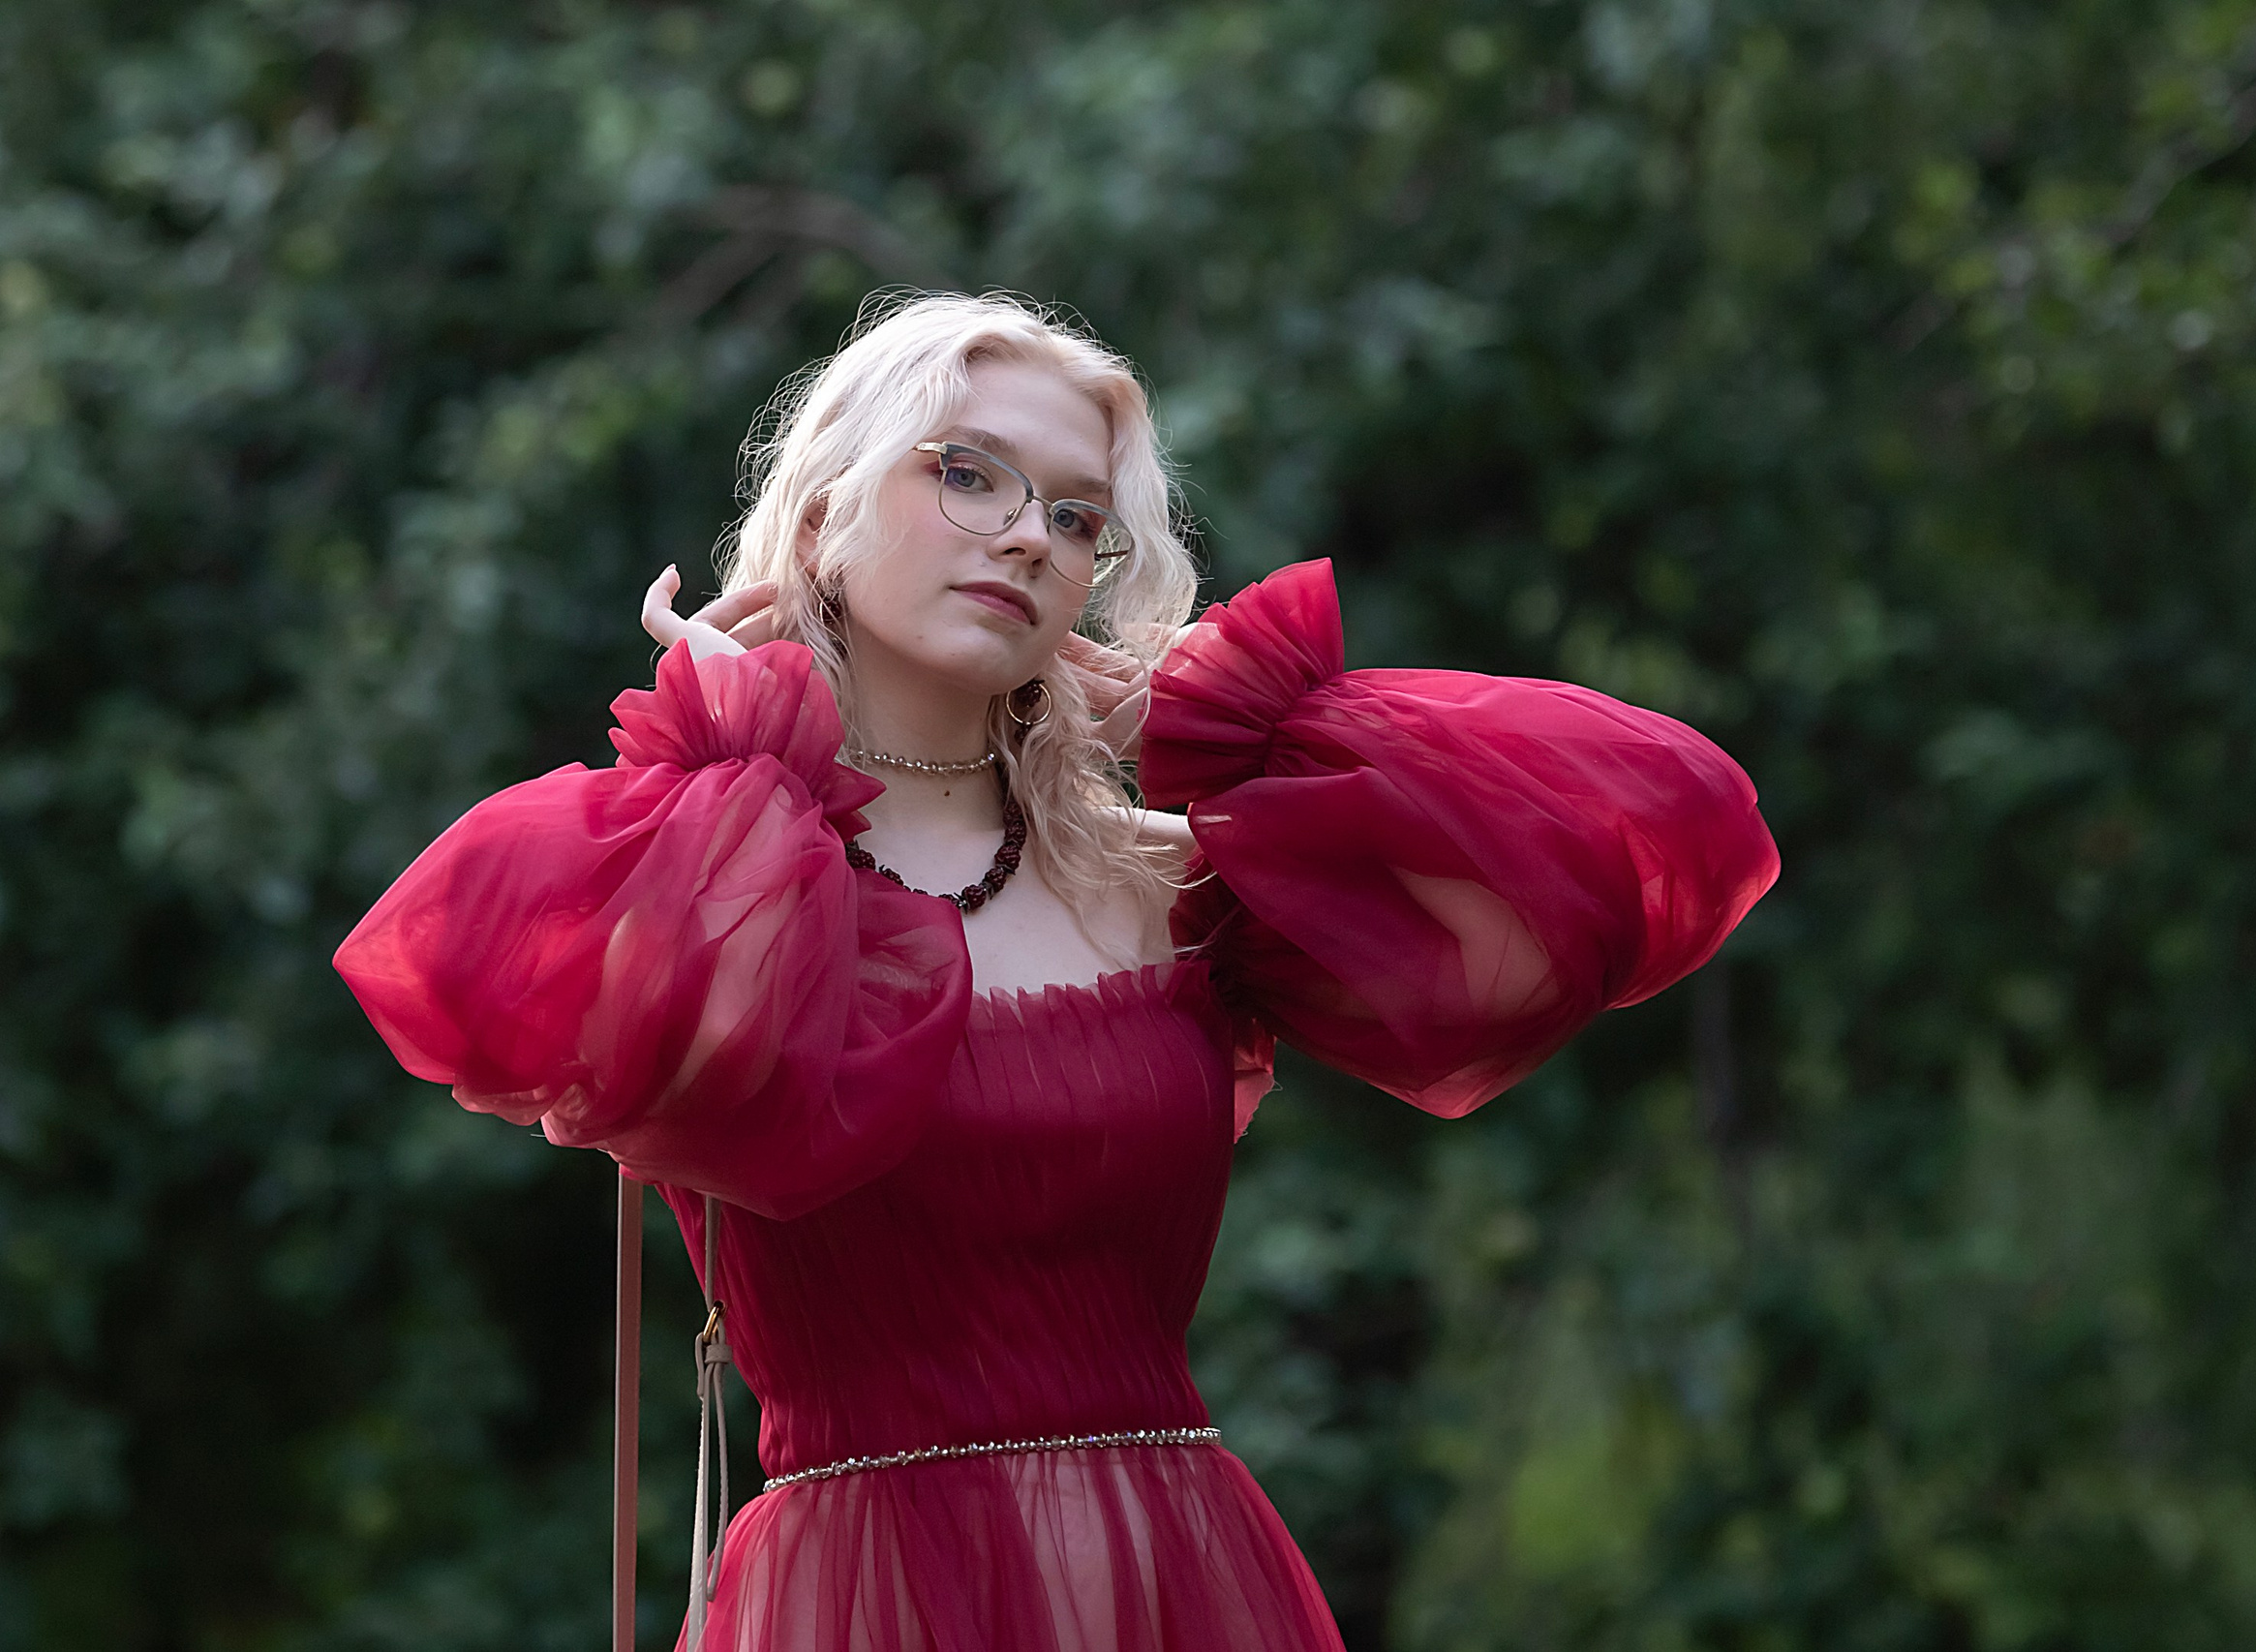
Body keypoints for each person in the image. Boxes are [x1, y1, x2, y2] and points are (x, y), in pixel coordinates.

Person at [333, 291, 1779, 1651]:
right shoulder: (716, 894)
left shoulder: (1172, 885)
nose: (1028, 535)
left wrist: (1238, 726)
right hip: (860, 1604)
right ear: (828, 515)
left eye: (1074, 513)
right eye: (969, 475)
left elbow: (1618, 873)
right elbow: (455, 977)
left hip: (1185, 1590)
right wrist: (723, 769)